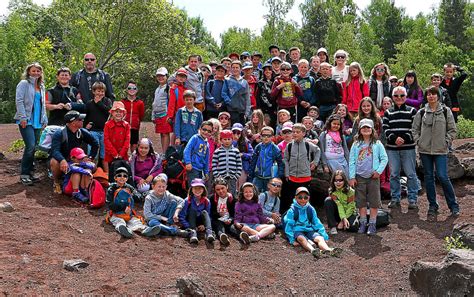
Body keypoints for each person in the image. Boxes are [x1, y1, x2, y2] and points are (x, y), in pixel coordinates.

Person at [412, 86, 459, 217]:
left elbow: (452, 129)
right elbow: (414, 129)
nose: (431, 96)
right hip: (425, 150)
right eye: (428, 94)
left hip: (440, 150)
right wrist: (418, 141)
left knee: (443, 176)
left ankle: (453, 205)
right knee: (428, 178)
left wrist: (446, 141)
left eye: (433, 94)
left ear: (438, 96)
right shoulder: (421, 112)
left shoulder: (445, 111)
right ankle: (433, 205)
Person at [349, 119, 388, 236]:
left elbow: (384, 158)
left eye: (368, 128)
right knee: (360, 201)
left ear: (372, 130)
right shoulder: (356, 144)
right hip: (359, 176)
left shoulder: (377, 144)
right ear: (360, 130)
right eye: (363, 128)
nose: (366, 130)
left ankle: (372, 223)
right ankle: (362, 222)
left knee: (374, 200)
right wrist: (352, 177)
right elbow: (351, 161)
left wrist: (379, 171)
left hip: (373, 177)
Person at [383, 86, 419, 210]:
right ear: (393, 97)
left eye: (402, 95)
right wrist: (394, 139)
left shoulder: (412, 111)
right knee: (393, 174)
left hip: (408, 147)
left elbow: (415, 128)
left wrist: (404, 138)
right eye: (396, 96)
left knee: (411, 174)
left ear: (406, 97)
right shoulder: (388, 112)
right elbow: (385, 128)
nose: (399, 98)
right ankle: (395, 198)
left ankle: (413, 199)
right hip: (392, 148)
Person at [284, 187, 342, 258]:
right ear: (295, 198)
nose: (303, 199)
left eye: (305, 197)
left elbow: (317, 222)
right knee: (301, 238)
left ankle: (329, 250)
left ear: (309, 198)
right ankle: (313, 250)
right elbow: (288, 225)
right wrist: (292, 240)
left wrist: (324, 236)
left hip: (309, 229)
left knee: (320, 238)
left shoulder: (310, 209)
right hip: (297, 230)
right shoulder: (292, 210)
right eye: (300, 197)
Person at [15, 62, 48, 185]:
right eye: (33, 71)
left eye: (38, 71)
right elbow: (19, 101)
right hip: (26, 120)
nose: (36, 73)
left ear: (41, 73)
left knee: (34, 147)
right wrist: (22, 117)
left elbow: (43, 104)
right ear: (29, 72)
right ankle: (24, 174)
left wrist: (44, 119)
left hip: (38, 121)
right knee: (30, 146)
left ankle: (30, 173)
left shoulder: (42, 86)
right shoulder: (24, 84)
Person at [50, 111, 99, 194]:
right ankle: (56, 182)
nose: (83, 121)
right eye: (80, 119)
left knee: (93, 167)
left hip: (76, 159)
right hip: (64, 159)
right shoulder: (59, 133)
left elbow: (95, 144)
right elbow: (55, 151)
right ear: (73, 123)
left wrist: (90, 157)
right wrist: (62, 160)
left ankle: (84, 187)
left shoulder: (82, 131)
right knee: (54, 162)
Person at [105, 167, 160, 238]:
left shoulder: (129, 187)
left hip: (128, 213)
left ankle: (145, 230)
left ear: (127, 179)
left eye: (125, 176)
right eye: (119, 175)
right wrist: (123, 207)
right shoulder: (111, 188)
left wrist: (146, 194)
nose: (122, 177)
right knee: (119, 222)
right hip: (115, 213)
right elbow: (110, 204)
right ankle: (124, 230)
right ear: (115, 178)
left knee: (135, 221)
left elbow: (138, 197)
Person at [283, 123, 320, 212]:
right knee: (292, 200)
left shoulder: (308, 145)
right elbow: (285, 159)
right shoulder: (289, 145)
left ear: (303, 133)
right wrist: (287, 173)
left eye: (298, 132)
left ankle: (306, 216)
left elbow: (318, 150)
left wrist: (315, 163)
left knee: (305, 199)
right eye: (293, 132)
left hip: (305, 178)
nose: (295, 134)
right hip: (292, 178)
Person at [178, 178, 215, 244]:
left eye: (200, 188)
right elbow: (182, 216)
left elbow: (208, 216)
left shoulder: (207, 201)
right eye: (195, 188)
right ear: (191, 190)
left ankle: (209, 232)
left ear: (203, 190)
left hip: (201, 222)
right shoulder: (187, 200)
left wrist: (204, 225)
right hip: (191, 222)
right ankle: (193, 233)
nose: (197, 190)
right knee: (192, 210)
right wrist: (187, 225)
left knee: (204, 212)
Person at [84, 81, 113, 164]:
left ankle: (105, 172)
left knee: (104, 154)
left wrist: (99, 103)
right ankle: (92, 171)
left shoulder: (107, 101)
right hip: (93, 131)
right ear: (93, 91)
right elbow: (87, 116)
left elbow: (109, 112)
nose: (100, 93)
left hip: (104, 131)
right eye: (98, 91)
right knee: (93, 153)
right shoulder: (89, 103)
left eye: (102, 91)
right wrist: (85, 126)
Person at [249, 126, 284, 193]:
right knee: (255, 194)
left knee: (269, 195)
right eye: (264, 135)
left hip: (270, 178)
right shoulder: (258, 147)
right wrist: (251, 174)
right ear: (261, 136)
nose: (266, 137)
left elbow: (280, 163)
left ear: (272, 137)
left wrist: (279, 176)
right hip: (258, 176)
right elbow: (253, 161)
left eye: (268, 135)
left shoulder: (275, 148)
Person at [324, 170, 358, 235]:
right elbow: (339, 205)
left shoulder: (351, 191)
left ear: (344, 180)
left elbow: (351, 207)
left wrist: (344, 219)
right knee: (328, 200)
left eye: (340, 180)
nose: (338, 182)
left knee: (353, 228)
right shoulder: (331, 191)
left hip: (349, 212)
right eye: (336, 180)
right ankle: (332, 226)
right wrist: (343, 219)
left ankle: (342, 223)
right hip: (339, 213)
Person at [212, 130, 242, 197]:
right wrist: (217, 175)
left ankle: (231, 206)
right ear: (221, 140)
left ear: (232, 139)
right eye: (225, 139)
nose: (227, 141)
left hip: (232, 177)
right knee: (221, 194)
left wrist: (236, 175)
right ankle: (221, 206)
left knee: (232, 194)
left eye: (229, 139)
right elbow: (214, 164)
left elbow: (239, 164)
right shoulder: (217, 151)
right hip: (221, 177)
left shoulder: (236, 151)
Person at [104, 101, 130, 173]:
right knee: (112, 172)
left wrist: (121, 154)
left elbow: (127, 140)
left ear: (124, 113)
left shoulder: (126, 125)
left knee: (123, 172)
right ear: (112, 113)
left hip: (123, 154)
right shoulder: (107, 124)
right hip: (111, 154)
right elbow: (106, 140)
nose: (118, 113)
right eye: (116, 111)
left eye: (120, 112)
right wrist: (114, 153)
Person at [222, 60, 251, 125]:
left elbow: (247, 97)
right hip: (232, 110)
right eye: (233, 67)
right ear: (231, 69)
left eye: (237, 67)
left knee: (242, 130)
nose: (235, 69)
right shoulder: (227, 80)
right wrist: (230, 102)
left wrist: (247, 112)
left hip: (242, 110)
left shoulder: (244, 82)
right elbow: (224, 93)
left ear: (240, 69)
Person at [183, 121, 212, 185]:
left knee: (199, 187)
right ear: (200, 129)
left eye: (209, 131)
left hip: (200, 170)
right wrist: (188, 162)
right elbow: (187, 150)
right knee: (193, 187)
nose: (206, 132)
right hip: (192, 167)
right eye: (204, 129)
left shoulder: (207, 144)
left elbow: (206, 159)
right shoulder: (195, 138)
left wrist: (206, 172)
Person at [210, 177, 237, 245]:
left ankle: (242, 235)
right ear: (215, 190)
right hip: (218, 220)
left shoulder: (232, 198)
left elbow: (235, 214)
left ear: (227, 187)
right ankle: (222, 236)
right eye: (218, 189)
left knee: (233, 228)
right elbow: (211, 213)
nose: (221, 191)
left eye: (222, 188)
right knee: (219, 226)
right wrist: (219, 214)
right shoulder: (212, 198)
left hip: (228, 220)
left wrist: (230, 219)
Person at [152, 67, 172, 153]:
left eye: (162, 76)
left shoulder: (168, 88)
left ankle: (165, 153)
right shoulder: (157, 89)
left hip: (165, 114)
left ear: (166, 76)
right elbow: (154, 103)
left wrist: (170, 115)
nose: (160, 78)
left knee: (165, 134)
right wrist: (153, 115)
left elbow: (171, 102)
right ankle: (163, 151)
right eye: (158, 76)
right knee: (161, 134)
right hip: (157, 114)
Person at [121, 80, 145, 153]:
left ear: (137, 90)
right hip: (124, 126)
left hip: (135, 127)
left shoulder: (140, 103)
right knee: (124, 144)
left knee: (134, 144)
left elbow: (141, 115)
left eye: (134, 88)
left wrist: (137, 122)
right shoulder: (123, 102)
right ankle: (123, 160)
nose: (132, 90)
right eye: (129, 88)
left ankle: (133, 160)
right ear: (126, 90)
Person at [231, 123, 254, 190]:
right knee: (233, 186)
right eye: (234, 132)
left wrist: (243, 155)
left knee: (241, 186)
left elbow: (252, 154)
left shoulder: (246, 142)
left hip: (243, 167)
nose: (236, 135)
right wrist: (234, 141)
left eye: (238, 133)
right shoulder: (229, 141)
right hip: (232, 167)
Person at [257, 63, 277, 127]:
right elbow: (258, 96)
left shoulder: (276, 81)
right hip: (264, 108)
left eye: (269, 70)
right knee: (266, 124)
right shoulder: (260, 83)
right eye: (265, 70)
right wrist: (259, 108)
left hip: (275, 107)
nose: (267, 71)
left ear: (272, 71)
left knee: (274, 124)